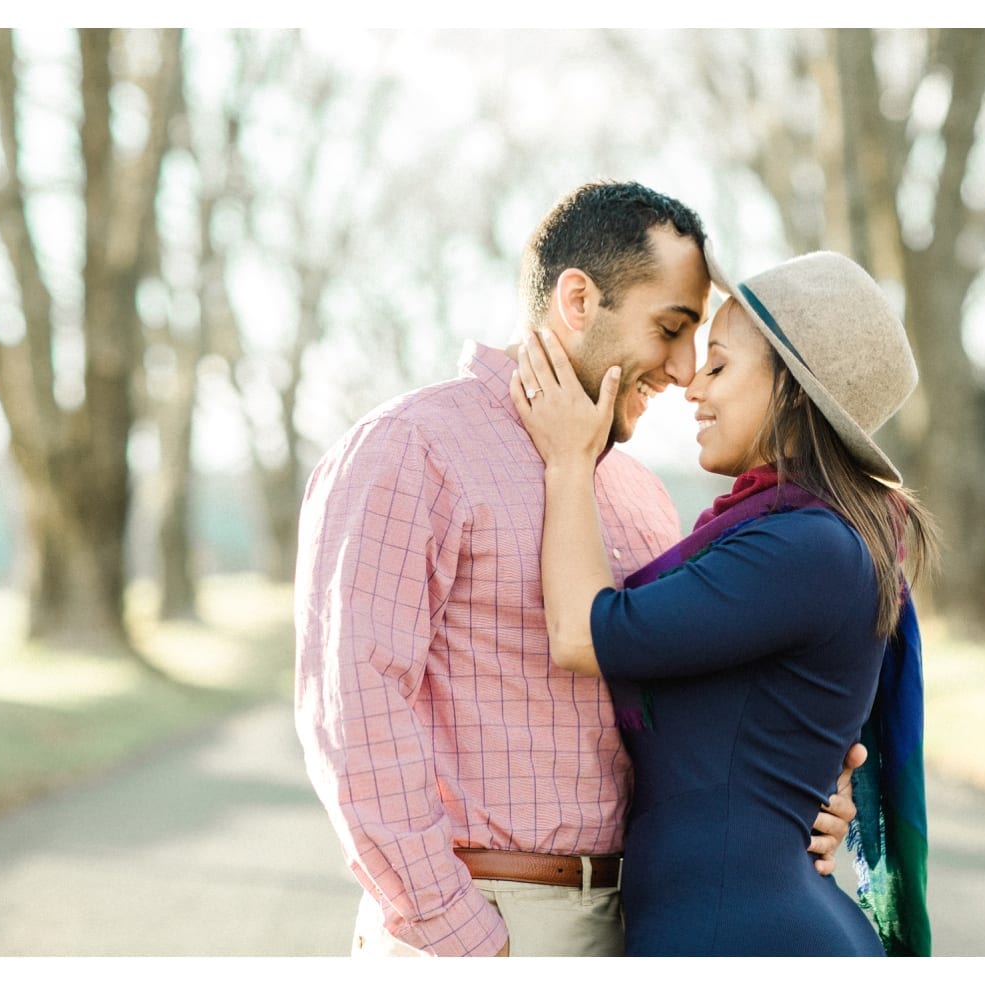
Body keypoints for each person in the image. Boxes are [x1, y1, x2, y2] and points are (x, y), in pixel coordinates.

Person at [292, 181, 864, 958]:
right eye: (671, 327)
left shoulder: (639, 497)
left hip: (636, 923)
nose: (684, 367)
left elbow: (709, 706)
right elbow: (353, 713)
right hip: (487, 921)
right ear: (577, 299)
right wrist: (466, 940)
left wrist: (808, 791)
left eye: (702, 343)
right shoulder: (410, 449)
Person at [510, 245, 936, 956]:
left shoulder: (806, 548)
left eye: (718, 364)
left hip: (741, 934)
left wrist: (568, 459)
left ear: (793, 387)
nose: (692, 387)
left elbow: (586, 632)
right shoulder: (795, 536)